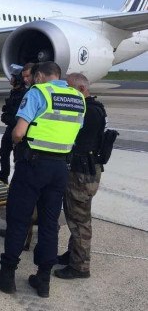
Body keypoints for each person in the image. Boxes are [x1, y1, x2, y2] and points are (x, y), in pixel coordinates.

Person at [0, 62, 85, 298]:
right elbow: (75, 132)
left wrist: (21, 144)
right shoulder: (77, 98)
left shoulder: (38, 92)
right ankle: (43, 279)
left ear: (39, 76)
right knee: (49, 223)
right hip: (60, 167)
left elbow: (18, 132)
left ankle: (7, 275)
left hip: (33, 165)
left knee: (18, 219)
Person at [54, 73, 107, 280]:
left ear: (81, 89)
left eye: (69, 89)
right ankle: (73, 254)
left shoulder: (89, 112)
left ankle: (80, 267)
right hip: (88, 172)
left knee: (79, 220)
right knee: (78, 216)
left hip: (81, 174)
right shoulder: (96, 108)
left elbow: (74, 137)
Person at [0, 65, 27, 184]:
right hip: (10, 128)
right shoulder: (14, 92)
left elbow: (18, 116)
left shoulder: (23, 94)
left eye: (13, 77)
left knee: (17, 157)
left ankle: (17, 180)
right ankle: (3, 176)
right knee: (4, 152)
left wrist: (6, 117)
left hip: (17, 128)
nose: (11, 79)